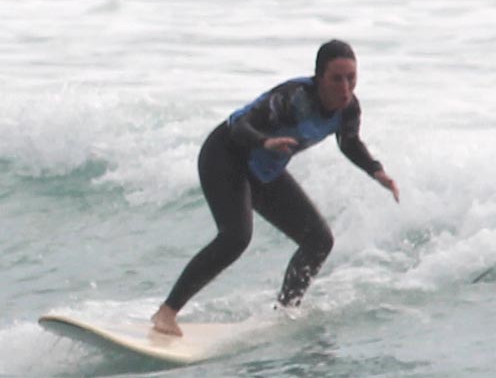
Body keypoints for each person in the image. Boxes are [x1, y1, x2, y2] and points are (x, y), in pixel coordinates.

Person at [151, 40, 399, 336]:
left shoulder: (348, 109)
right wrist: (265, 142)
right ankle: (166, 313)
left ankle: (285, 312)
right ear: (319, 77)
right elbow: (240, 126)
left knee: (319, 240)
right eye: (337, 79)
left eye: (351, 78)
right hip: (225, 156)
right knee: (236, 237)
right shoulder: (293, 98)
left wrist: (377, 171)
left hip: (263, 170)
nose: (345, 88)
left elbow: (349, 143)